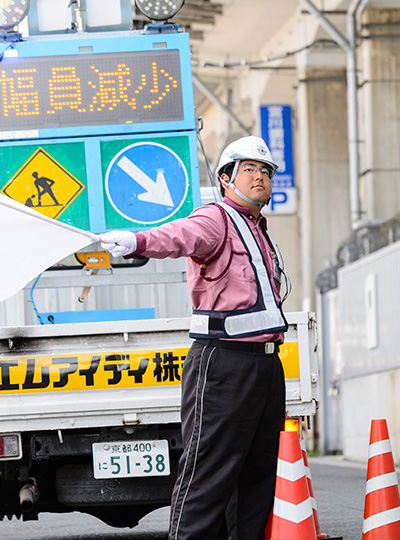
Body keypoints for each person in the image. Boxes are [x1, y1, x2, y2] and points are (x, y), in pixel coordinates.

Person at [100, 135, 290, 540]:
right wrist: (138, 241)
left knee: (258, 476)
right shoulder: (215, 218)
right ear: (226, 178)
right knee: (208, 473)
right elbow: (180, 236)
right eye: (249, 170)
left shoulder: (259, 229)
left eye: (266, 171)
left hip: (266, 365)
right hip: (223, 363)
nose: (260, 177)